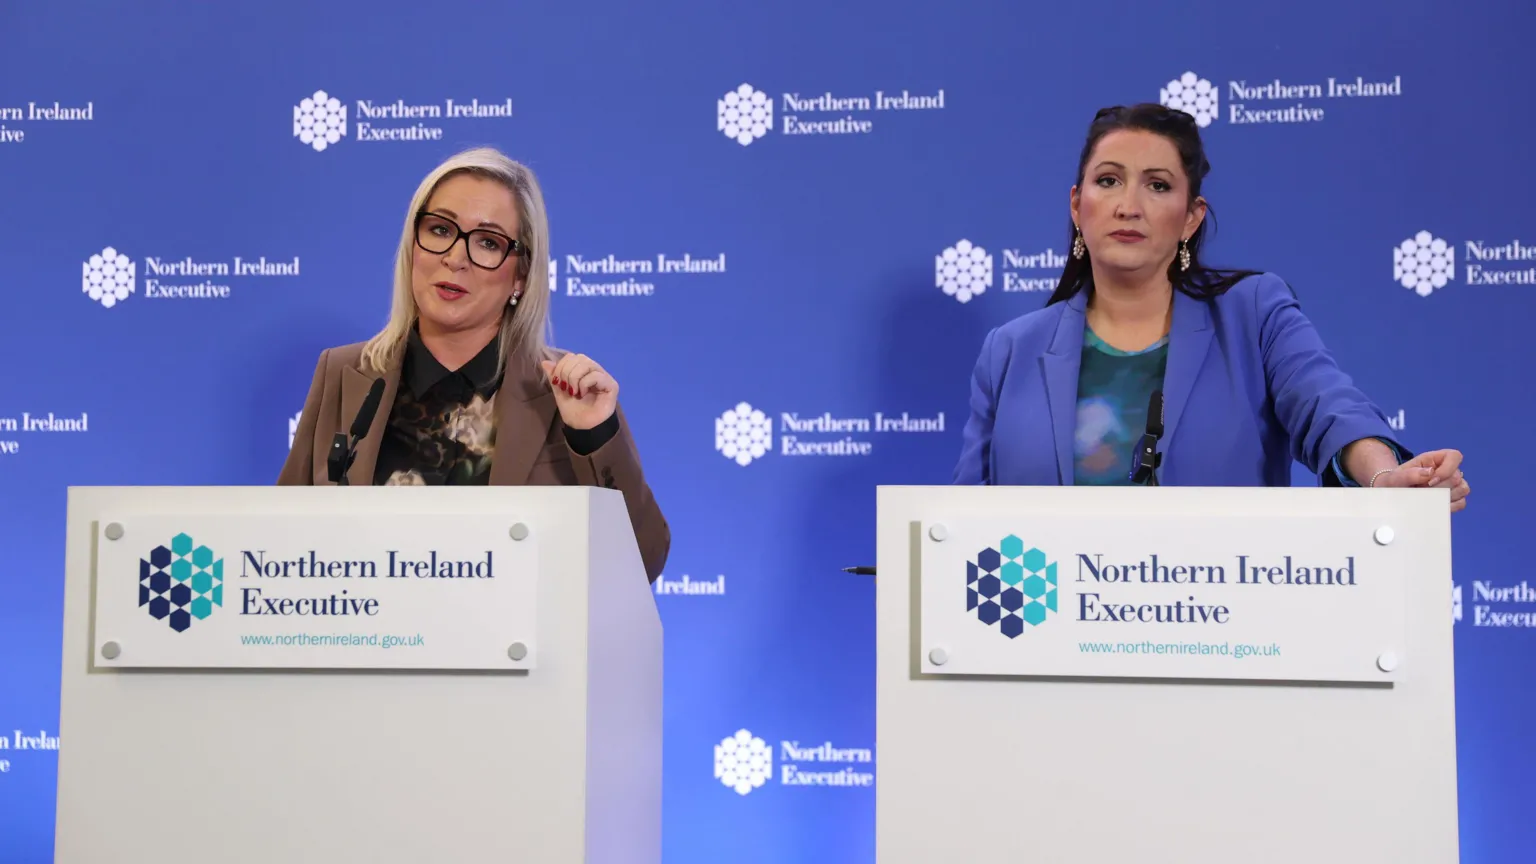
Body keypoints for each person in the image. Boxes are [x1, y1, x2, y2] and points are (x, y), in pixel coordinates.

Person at [954, 103, 1469, 511]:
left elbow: (1329, 407)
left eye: (1158, 185)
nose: (1128, 204)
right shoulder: (1010, 351)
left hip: (1216, 629)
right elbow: (962, 521)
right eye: (1108, 180)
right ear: (1076, 204)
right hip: (1048, 629)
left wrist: (1383, 476)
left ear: (1191, 217)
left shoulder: (1253, 313)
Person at [280, 147, 671, 580]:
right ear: (414, 244)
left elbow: (643, 563)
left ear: (520, 275)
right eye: (440, 229)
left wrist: (594, 436)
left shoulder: (566, 392)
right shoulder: (344, 373)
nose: (455, 257)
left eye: (488, 242)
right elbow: (282, 547)